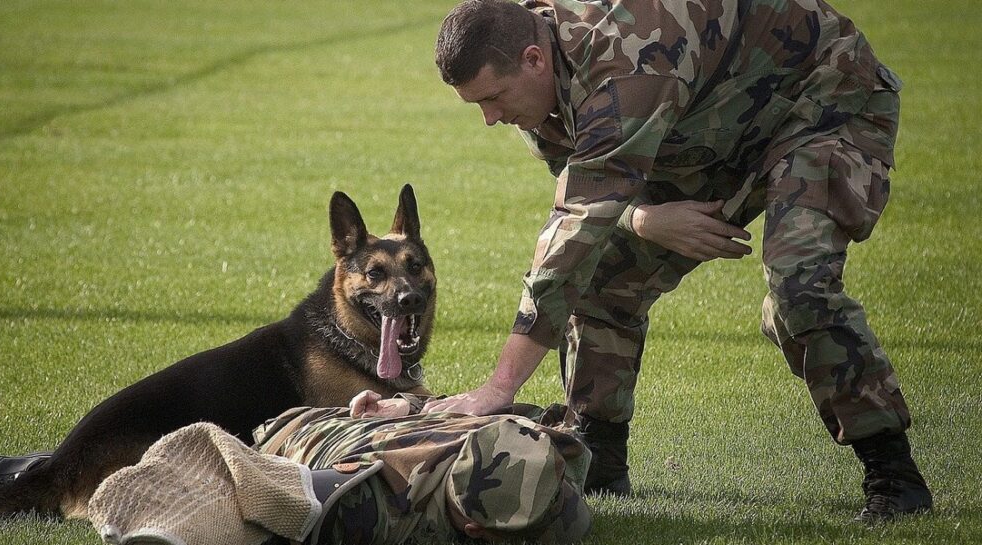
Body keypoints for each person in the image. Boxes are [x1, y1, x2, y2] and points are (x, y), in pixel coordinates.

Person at [426, 0, 931, 522]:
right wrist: (644, 219)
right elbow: (583, 187)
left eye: (492, 98)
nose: (490, 119)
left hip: (822, 102)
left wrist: (498, 389)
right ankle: (597, 463)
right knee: (603, 277)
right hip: (709, 131)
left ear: (533, 59)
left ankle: (894, 476)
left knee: (799, 284)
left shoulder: (628, 55)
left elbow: (573, 234)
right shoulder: (542, 86)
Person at [86, 390, 593, 545]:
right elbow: (287, 491)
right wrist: (412, 407)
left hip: (328, 432)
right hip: (301, 431)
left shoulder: (559, 509)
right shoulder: (376, 505)